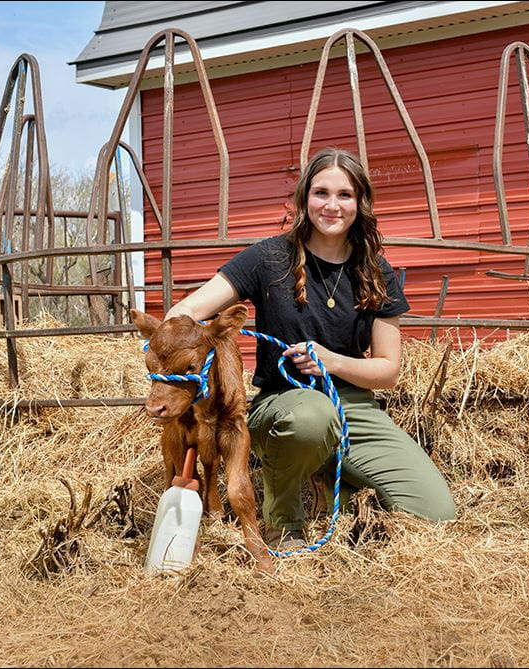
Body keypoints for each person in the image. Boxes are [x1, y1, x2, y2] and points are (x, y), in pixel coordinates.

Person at [164, 147, 456, 550]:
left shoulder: (376, 272)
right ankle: (283, 523)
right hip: (283, 404)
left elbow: (388, 371)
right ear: (304, 199)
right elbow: (186, 312)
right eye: (321, 193)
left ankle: (335, 480)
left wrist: (333, 361)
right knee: (310, 419)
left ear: (360, 203)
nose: (331, 205)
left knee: (435, 510)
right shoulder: (268, 258)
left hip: (352, 405)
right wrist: (187, 362)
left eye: (344, 195)